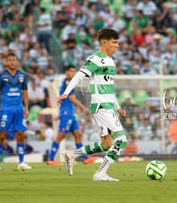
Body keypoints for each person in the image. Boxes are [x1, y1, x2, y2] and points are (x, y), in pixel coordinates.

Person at [57, 28, 128, 182]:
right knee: (121, 140)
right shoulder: (94, 59)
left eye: (118, 42)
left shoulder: (111, 61)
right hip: (101, 105)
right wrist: (67, 93)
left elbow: (109, 88)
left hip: (108, 104)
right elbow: (78, 76)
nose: (117, 46)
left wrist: (117, 106)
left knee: (107, 143)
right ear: (104, 42)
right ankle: (100, 173)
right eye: (114, 42)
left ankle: (73, 154)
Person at [46, 64, 95, 165]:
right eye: (71, 71)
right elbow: (71, 98)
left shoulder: (69, 82)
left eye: (74, 71)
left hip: (70, 114)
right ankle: (51, 158)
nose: (73, 73)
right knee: (61, 136)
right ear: (66, 72)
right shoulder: (67, 82)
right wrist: (83, 108)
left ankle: (84, 157)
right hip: (67, 114)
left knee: (77, 135)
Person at [0, 53, 32, 170]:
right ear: (6, 63)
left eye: (14, 60)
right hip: (6, 109)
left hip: (19, 110)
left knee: (20, 134)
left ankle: (21, 162)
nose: (12, 62)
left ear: (17, 61)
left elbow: (25, 93)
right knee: (2, 135)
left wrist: (26, 108)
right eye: (9, 60)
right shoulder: (2, 76)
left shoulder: (22, 76)